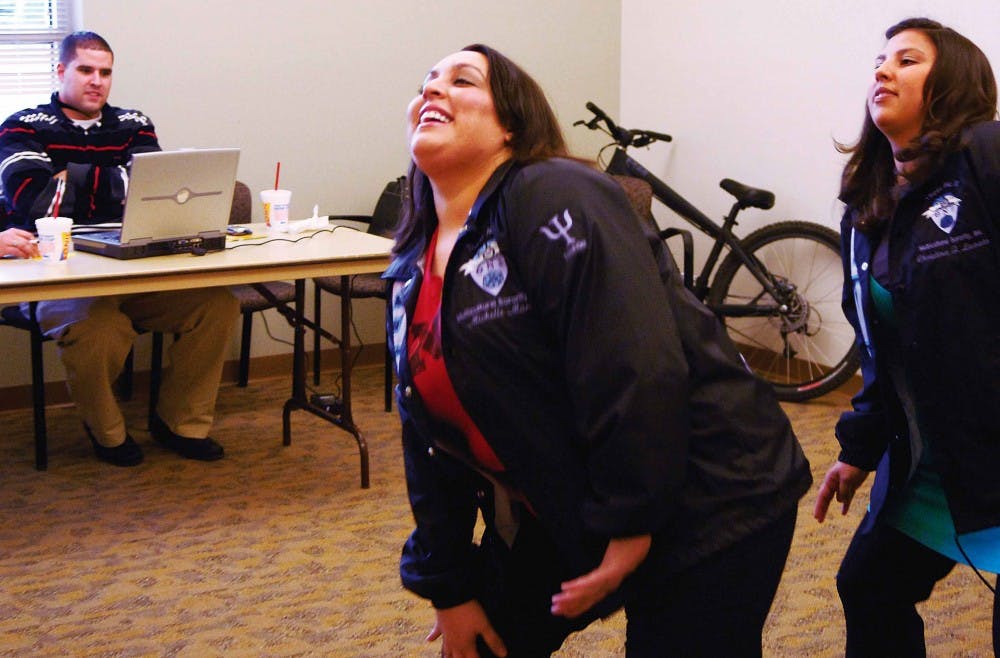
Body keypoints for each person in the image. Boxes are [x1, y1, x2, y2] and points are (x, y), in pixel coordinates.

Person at [386, 43, 813, 658]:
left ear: (511, 124)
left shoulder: (553, 191)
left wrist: (631, 519)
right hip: (572, 495)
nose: (433, 91)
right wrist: (448, 583)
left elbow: (633, 362)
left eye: (463, 80)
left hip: (712, 493)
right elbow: (427, 436)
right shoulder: (413, 264)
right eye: (426, 81)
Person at [813, 17, 1000, 656]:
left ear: (952, 81)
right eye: (880, 60)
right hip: (936, 459)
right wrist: (858, 449)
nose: (883, 71)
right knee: (869, 587)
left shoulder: (987, 154)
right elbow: (881, 352)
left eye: (908, 60)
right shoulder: (867, 207)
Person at [0, 31, 238, 466]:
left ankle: (180, 423)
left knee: (217, 306)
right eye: (85, 70)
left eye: (105, 72)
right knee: (100, 328)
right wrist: (118, 183)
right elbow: (36, 199)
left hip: (133, 270)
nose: (97, 81)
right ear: (61, 71)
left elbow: (159, 191)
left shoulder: (134, 124)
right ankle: (107, 431)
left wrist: (71, 177)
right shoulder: (22, 125)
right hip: (58, 277)